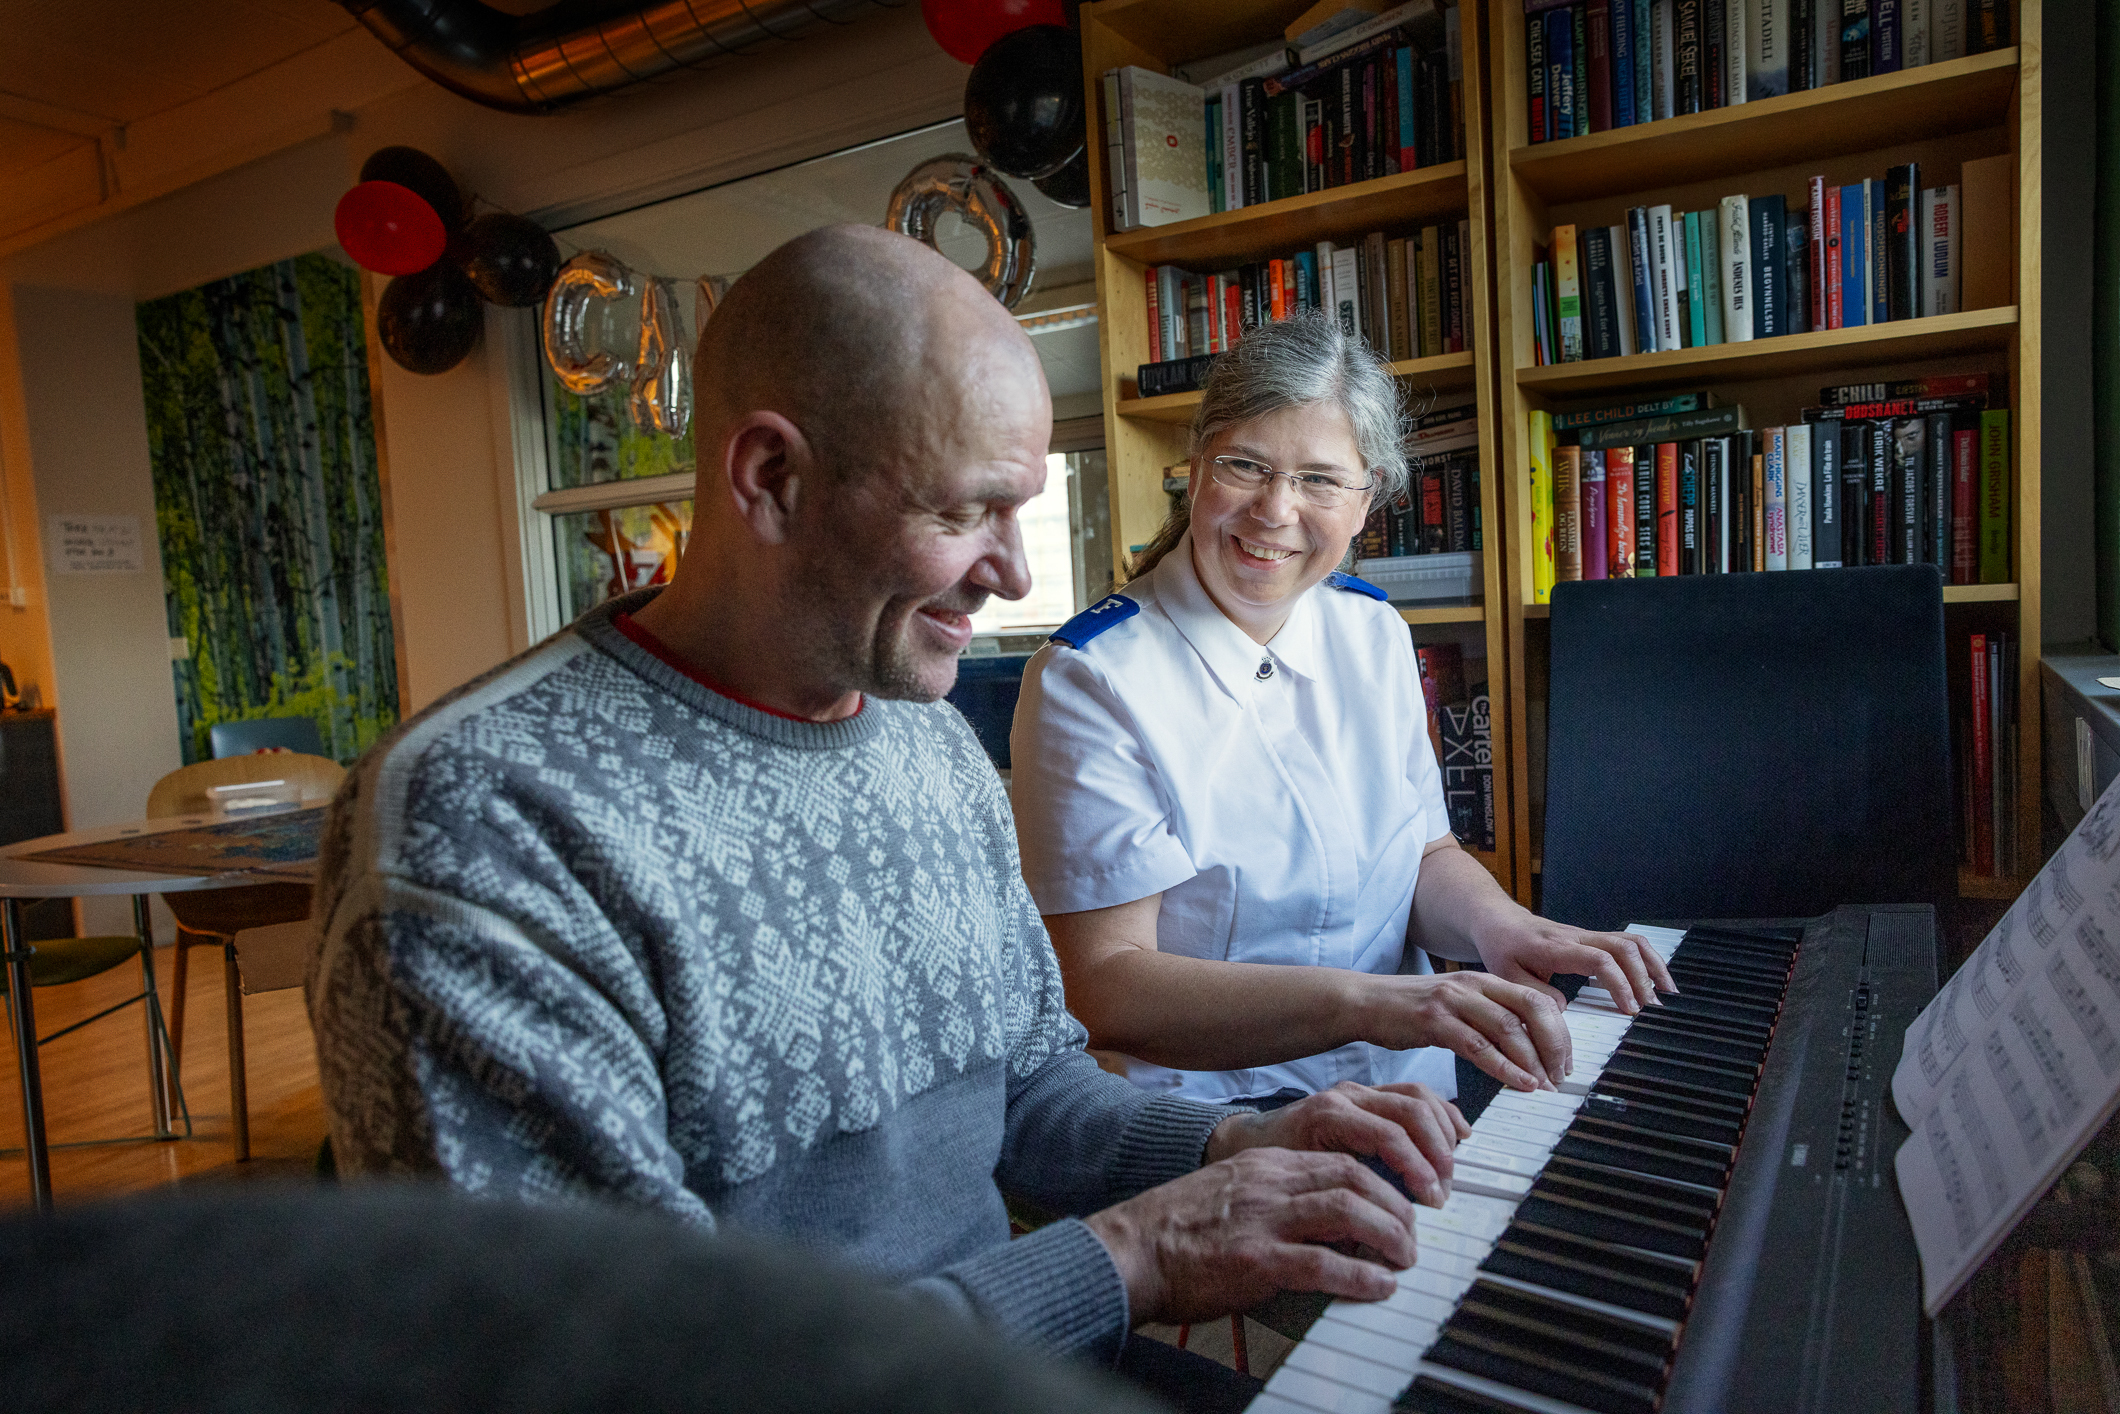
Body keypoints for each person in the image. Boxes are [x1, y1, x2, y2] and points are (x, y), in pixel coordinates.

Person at [307, 226, 1468, 1405]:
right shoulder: (486, 823)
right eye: (967, 512)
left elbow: (1023, 1085)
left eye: (1022, 511)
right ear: (769, 478)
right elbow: (628, 1365)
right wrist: (1135, 1255)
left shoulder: (922, 735)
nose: (1015, 575)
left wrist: (1227, 1147)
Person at [1008, 313, 1674, 1118]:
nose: (1275, 510)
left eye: (1320, 480)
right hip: (1217, 1129)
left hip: (1410, 1096)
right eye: (1245, 466)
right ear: (1194, 468)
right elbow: (1105, 987)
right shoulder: (1091, 679)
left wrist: (1507, 928)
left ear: (1367, 503)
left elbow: (1423, 856)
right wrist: (1373, 1005)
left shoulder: (1374, 632)